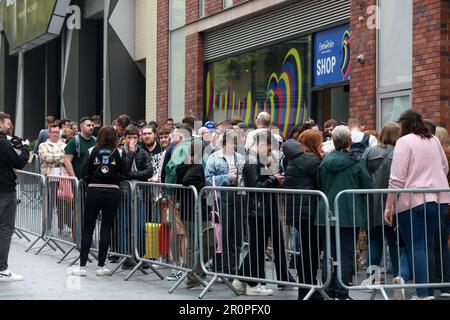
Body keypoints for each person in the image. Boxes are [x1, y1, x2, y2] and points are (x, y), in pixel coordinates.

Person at [384, 109, 450, 300]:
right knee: (427, 245)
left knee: (417, 247)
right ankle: (426, 291)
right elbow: (444, 167)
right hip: (439, 199)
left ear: (403, 124)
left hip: (412, 201)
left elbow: (396, 178)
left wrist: (388, 206)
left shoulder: (404, 142)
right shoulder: (434, 140)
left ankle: (422, 293)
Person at [232, 132, 294, 296]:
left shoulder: (256, 158)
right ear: (260, 144)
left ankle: (242, 280)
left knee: (257, 247)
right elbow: (256, 186)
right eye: (269, 147)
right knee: (257, 247)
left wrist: (273, 177)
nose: (270, 151)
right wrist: (273, 179)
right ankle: (253, 283)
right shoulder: (252, 160)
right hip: (258, 210)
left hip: (262, 209)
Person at [317, 125, 373, 300]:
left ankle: (328, 290)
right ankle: (342, 292)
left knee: (329, 252)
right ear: (349, 141)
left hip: (325, 211)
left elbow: (319, 183)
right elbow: (368, 186)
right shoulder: (356, 162)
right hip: (349, 213)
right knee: (346, 252)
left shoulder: (324, 161)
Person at [72, 126, 129, 277]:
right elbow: (125, 173)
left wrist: (91, 180)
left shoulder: (92, 151)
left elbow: (83, 172)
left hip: (94, 191)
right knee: (106, 228)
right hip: (112, 192)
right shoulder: (119, 152)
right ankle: (101, 267)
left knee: (88, 228)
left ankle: (82, 267)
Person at [360, 122, 402, 289]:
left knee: (375, 241)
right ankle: (399, 277)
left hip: (373, 202)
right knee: (395, 242)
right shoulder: (400, 153)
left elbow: (362, 176)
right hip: (396, 202)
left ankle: (373, 278)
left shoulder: (369, 152)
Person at [283, 130, 324, 300]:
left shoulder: (294, 160)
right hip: (309, 211)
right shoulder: (312, 160)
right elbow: (322, 180)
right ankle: (308, 288)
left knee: (307, 251)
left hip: (299, 211)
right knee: (310, 252)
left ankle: (306, 287)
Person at [205, 130, 245, 276]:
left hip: (238, 197)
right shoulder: (214, 158)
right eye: (230, 142)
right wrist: (228, 177)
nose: (233, 145)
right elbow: (208, 179)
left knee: (237, 235)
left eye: (235, 143)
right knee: (223, 235)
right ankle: (223, 268)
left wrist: (239, 179)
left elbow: (245, 178)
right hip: (221, 198)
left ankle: (234, 269)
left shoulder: (240, 158)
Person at [0, 112, 30, 282]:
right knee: (5, 229)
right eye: (7, 123)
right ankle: (2, 269)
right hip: (4, 190)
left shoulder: (5, 141)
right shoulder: (2, 142)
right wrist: (25, 147)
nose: (9, 125)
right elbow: (18, 162)